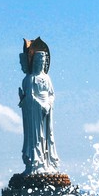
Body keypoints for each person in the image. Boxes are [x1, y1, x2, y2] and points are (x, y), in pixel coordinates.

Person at [19, 44, 60, 175]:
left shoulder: (47, 78)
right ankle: (36, 163)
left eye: (42, 62)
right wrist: (40, 105)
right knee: (36, 136)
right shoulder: (30, 78)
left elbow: (52, 94)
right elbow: (30, 96)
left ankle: (48, 162)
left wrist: (48, 104)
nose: (40, 64)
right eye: (38, 62)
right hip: (34, 110)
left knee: (48, 135)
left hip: (47, 108)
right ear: (33, 62)